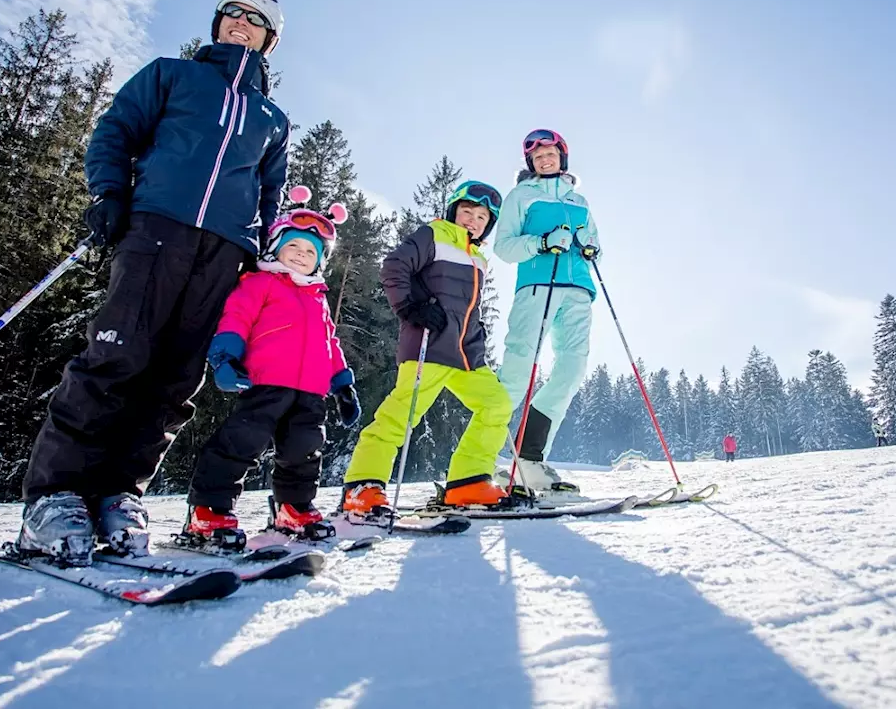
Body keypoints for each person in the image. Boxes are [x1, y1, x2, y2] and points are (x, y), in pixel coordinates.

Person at [17, 0, 291, 565]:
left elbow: (272, 189)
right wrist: (109, 192)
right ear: (218, 24)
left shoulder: (272, 117)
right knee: (117, 354)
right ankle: (55, 495)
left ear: (271, 38)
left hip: (226, 252)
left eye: (256, 19)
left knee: (175, 377)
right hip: (157, 228)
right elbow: (116, 131)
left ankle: (119, 492)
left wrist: (268, 245)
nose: (241, 23)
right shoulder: (173, 75)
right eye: (233, 14)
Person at [180, 190, 361, 549]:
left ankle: (292, 507)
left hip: (310, 391)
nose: (301, 256)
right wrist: (226, 358)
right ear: (276, 248)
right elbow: (236, 319)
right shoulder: (260, 283)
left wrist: (342, 385)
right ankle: (208, 509)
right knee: (243, 441)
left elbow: (330, 344)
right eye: (294, 247)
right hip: (266, 382)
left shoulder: (317, 298)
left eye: (311, 252)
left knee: (305, 448)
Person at [340, 181, 513, 515]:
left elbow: (468, 308)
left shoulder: (478, 259)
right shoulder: (433, 234)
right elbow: (394, 266)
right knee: (401, 414)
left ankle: (468, 482)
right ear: (453, 211)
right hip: (428, 345)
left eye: (481, 217)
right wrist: (409, 307)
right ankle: (363, 485)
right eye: (466, 211)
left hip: (467, 355)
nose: (472, 220)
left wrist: (477, 333)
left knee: (497, 405)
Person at [494, 129, 600, 492]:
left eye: (550, 153)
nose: (545, 159)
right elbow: (504, 247)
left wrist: (590, 248)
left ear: (562, 156)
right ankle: (482, 460)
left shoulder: (580, 201)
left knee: (572, 371)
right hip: (537, 286)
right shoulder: (521, 196)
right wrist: (541, 242)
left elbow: (597, 244)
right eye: (538, 157)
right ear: (531, 163)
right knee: (518, 370)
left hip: (579, 291)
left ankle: (529, 459)